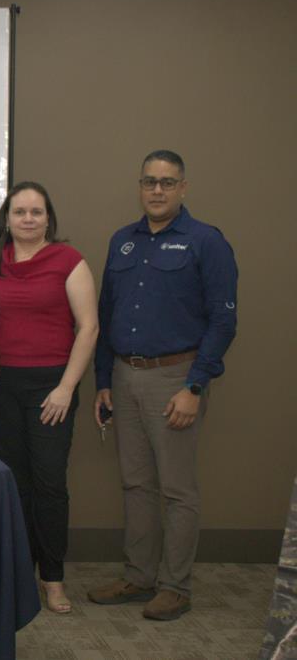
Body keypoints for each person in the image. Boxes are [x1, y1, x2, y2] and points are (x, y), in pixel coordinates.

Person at [88, 150, 237, 621]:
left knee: (176, 489)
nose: (157, 190)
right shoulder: (122, 242)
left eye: (167, 182)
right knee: (136, 484)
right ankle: (139, 577)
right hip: (124, 376)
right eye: (149, 181)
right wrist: (103, 380)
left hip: (176, 378)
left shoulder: (206, 241)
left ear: (183, 188)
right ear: (140, 186)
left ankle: (175, 587)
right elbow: (107, 314)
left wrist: (195, 385)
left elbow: (223, 322)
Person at [0, 181, 98, 614]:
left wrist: (66, 388)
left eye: (36, 212)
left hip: (52, 387)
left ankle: (53, 578)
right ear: (6, 219)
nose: (28, 219)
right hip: (2, 387)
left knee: (49, 484)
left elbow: (89, 328)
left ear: (48, 218)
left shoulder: (68, 260)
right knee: (16, 483)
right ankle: (20, 573)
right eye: (20, 212)